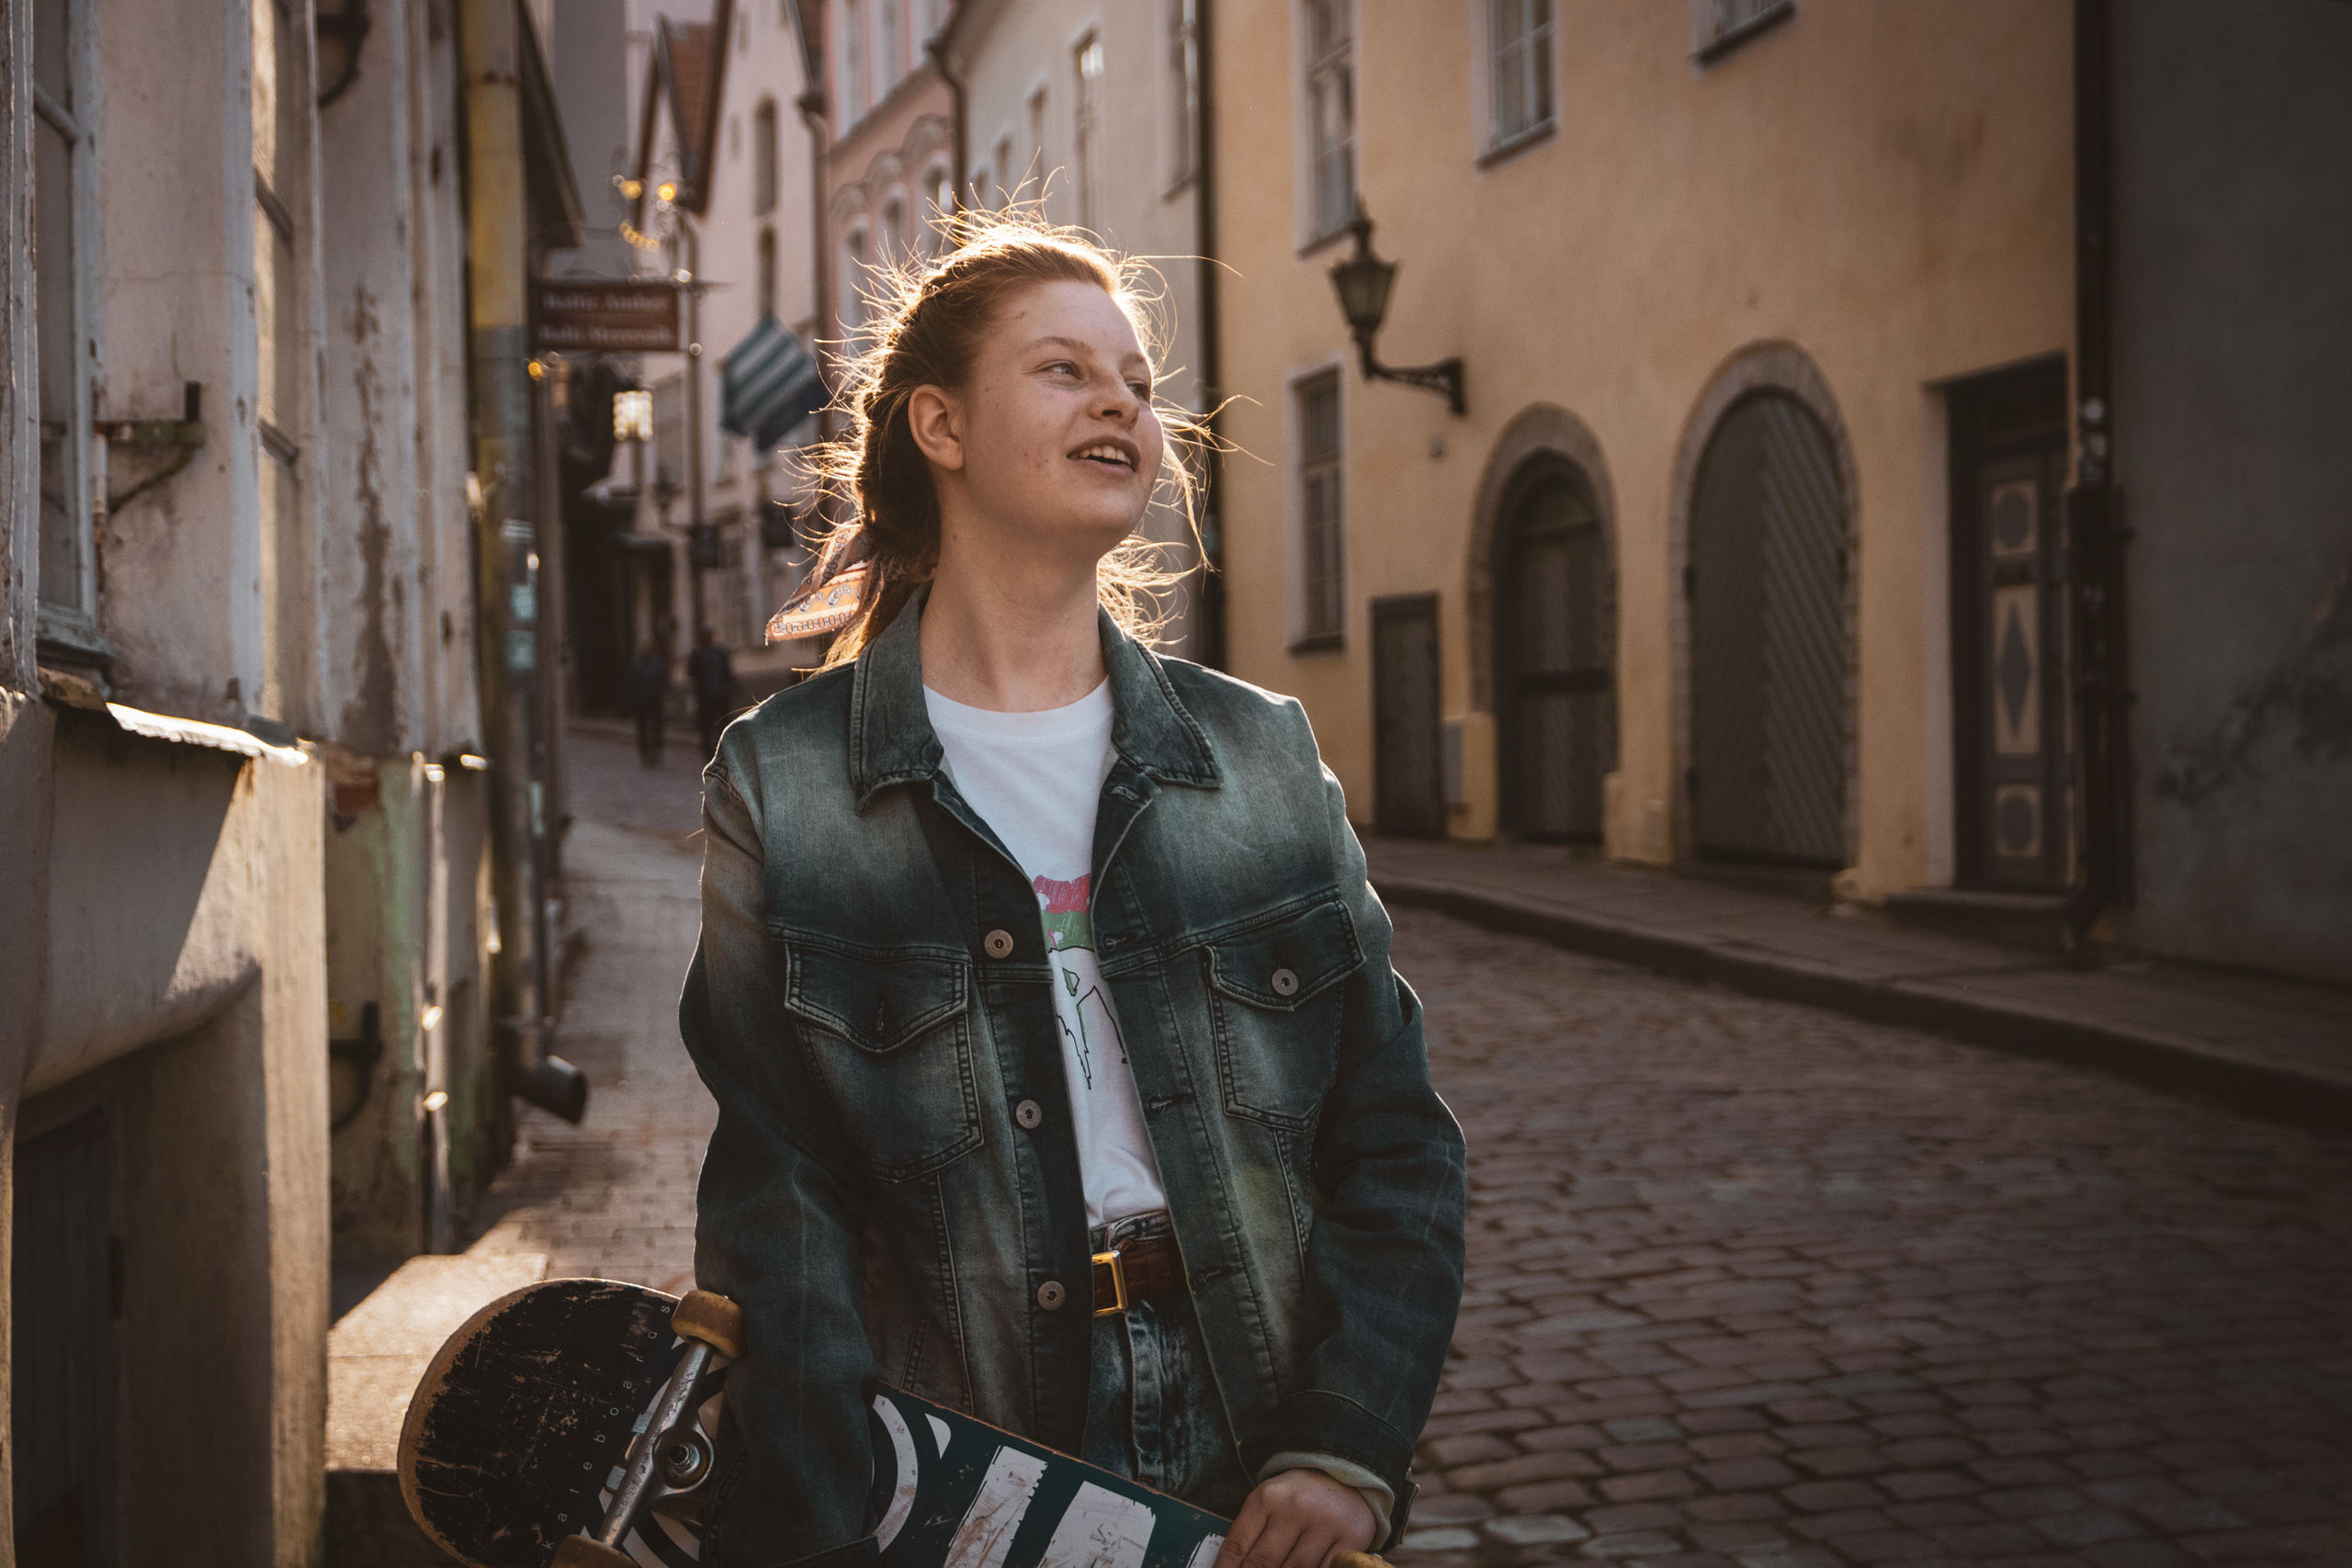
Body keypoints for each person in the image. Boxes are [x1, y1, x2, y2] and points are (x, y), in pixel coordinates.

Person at [681, 215, 1466, 1568]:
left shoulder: (1257, 756)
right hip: (957, 1444)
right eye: (1063, 369)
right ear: (941, 424)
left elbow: (1395, 1140)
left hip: (1253, 1430)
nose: (1120, 402)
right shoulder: (788, 784)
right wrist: (820, 1517)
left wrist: (1345, 1442)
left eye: (1138, 383)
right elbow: (780, 1205)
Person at [689, 625, 737, 762]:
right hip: (705, 696)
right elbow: (692, 673)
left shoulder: (720, 652)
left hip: (720, 694)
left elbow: (727, 671)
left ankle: (722, 750)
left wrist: (731, 685)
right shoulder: (697, 654)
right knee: (707, 726)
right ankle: (708, 752)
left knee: (723, 723)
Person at [625, 638, 669, 767]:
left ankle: (656, 751)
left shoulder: (656, 662)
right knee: (643, 727)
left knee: (656, 727)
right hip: (641, 699)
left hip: (654, 698)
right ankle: (645, 752)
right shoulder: (637, 663)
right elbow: (631, 682)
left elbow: (662, 679)